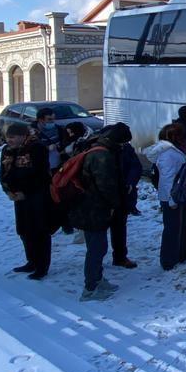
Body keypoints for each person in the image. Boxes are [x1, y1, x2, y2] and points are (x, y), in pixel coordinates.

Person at [68, 123, 129, 302]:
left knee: (97, 247)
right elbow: (106, 185)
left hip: (90, 206)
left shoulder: (94, 147)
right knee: (97, 248)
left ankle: (97, 279)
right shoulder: (102, 156)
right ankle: (91, 287)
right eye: (123, 143)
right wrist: (115, 204)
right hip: (94, 209)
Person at [0, 121, 53, 279]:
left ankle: (42, 266)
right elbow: (3, 172)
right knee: (24, 230)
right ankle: (31, 261)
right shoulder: (7, 150)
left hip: (37, 196)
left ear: (23, 136)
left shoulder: (37, 148)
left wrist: (25, 192)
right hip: (18, 197)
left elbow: (40, 175)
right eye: (8, 137)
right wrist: (8, 191)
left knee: (39, 231)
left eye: (13, 137)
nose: (9, 140)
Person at [145, 123, 186, 270]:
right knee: (172, 229)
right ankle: (169, 260)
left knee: (180, 227)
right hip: (172, 197)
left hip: (175, 196)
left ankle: (181, 254)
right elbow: (168, 179)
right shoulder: (169, 154)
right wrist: (172, 199)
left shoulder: (171, 151)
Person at [111, 137, 142, 269]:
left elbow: (136, 166)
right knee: (99, 234)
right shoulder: (100, 150)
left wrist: (130, 182)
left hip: (123, 195)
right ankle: (95, 263)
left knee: (119, 227)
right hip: (102, 198)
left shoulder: (126, 149)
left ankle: (120, 257)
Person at [57, 121, 89, 243]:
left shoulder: (81, 143)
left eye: (71, 132)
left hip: (76, 176)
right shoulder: (68, 141)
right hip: (69, 175)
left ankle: (81, 232)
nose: (69, 134)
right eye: (68, 132)